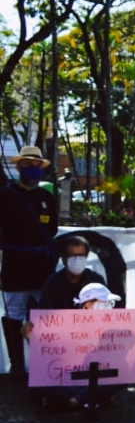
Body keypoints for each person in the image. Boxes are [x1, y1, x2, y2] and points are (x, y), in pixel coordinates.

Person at [36, 283, 135, 411]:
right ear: (87, 306)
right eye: (105, 303)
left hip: (101, 382)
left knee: (121, 377)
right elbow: (48, 356)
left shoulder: (116, 331)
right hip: (72, 383)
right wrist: (31, 335)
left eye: (110, 304)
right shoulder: (65, 326)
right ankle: (89, 400)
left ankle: (74, 401)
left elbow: (123, 366)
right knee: (41, 384)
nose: (109, 308)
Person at [0, 146, 58, 376]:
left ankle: (46, 363)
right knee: (14, 313)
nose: (33, 168)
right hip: (15, 263)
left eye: (37, 165)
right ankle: (16, 364)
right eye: (28, 164)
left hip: (42, 264)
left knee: (45, 314)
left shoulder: (46, 196)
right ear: (19, 167)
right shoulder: (5, 195)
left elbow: (52, 227)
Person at [26, 237, 106, 329]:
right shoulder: (52, 283)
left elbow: (105, 312)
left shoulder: (96, 280)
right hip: (61, 336)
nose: (77, 260)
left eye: (81, 255)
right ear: (63, 258)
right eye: (72, 255)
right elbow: (45, 314)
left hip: (89, 334)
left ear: (86, 256)